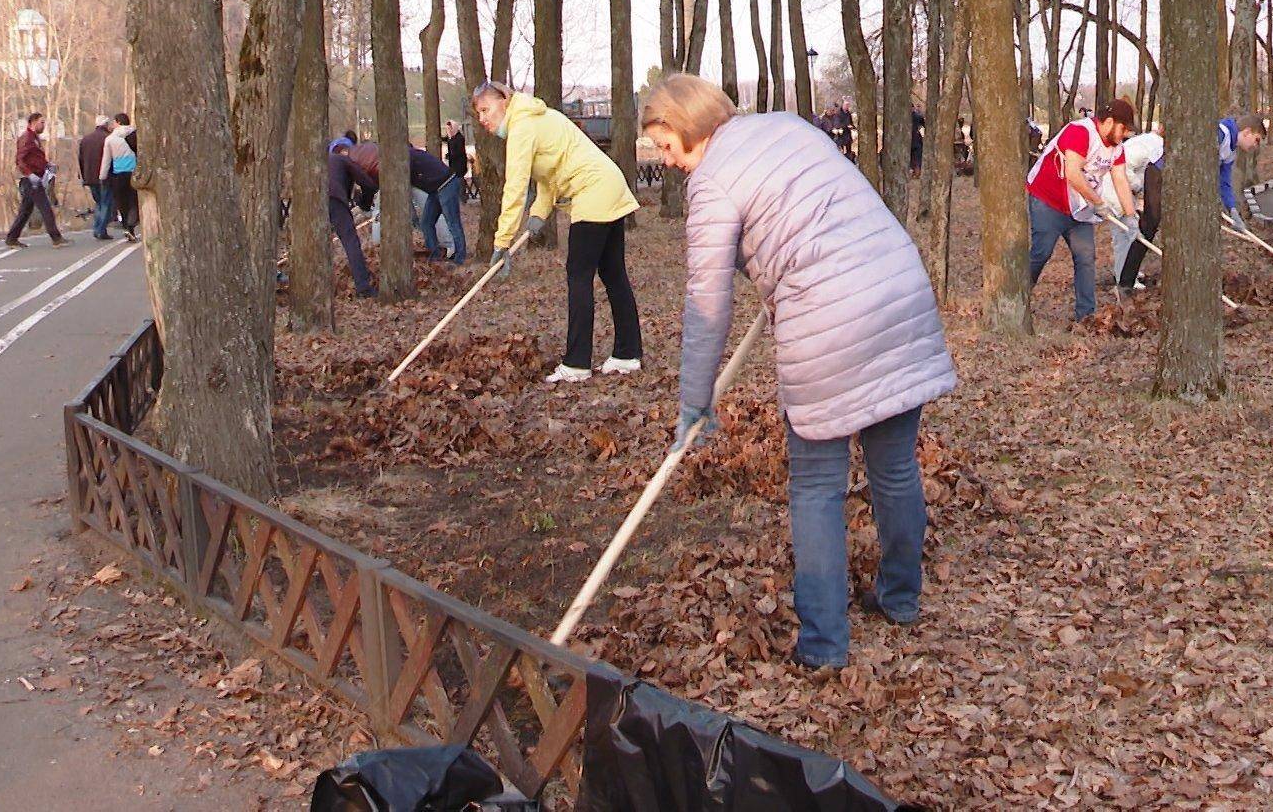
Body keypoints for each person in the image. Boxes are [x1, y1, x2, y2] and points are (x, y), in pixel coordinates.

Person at [644, 74, 957, 670]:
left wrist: (694, 400)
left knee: (816, 486)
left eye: (665, 145)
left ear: (689, 125)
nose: (668, 161)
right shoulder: (788, 126)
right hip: (898, 289)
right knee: (894, 466)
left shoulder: (712, 184)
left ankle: (823, 646)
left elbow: (706, 303)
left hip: (831, 322)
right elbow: (819, 212)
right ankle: (900, 598)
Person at [472, 80, 642, 384]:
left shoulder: (522, 126)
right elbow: (551, 173)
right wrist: (538, 214)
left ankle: (577, 363)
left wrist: (502, 241)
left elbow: (515, 187)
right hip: (607, 184)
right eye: (479, 114)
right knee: (613, 273)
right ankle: (627, 354)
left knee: (578, 275)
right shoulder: (535, 117)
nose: (483, 118)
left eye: (486, 109)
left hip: (593, 190)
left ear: (504, 101)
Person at [1025, 97, 1136, 321]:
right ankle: (1019, 296)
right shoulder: (1080, 132)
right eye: (1123, 128)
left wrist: (1130, 216)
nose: (1124, 134)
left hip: (1080, 207)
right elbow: (1073, 174)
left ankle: (1086, 316)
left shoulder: (1117, 148)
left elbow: (1120, 178)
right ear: (1110, 122)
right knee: (1041, 252)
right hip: (1049, 200)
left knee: (1085, 257)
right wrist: (1098, 203)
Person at [1103, 128, 1165, 288]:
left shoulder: (1152, 142)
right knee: (1124, 235)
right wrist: (1137, 188)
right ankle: (1122, 279)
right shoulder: (1153, 145)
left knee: (1131, 232)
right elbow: (1125, 167)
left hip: (1126, 191)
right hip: (1115, 189)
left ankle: (1130, 272)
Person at [6, 112, 68, 248]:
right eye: (42, 122)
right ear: (33, 123)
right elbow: (20, 159)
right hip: (30, 180)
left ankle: (12, 237)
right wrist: (29, 174)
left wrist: (47, 164)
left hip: (36, 177)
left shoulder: (34, 138)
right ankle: (56, 237)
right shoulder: (27, 138)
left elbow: (35, 158)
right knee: (45, 207)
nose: (44, 125)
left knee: (25, 210)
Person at [327, 143, 379, 297]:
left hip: (311, 200)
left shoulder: (321, 161)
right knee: (350, 241)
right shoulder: (344, 160)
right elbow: (367, 183)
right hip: (334, 198)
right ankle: (363, 287)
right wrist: (365, 204)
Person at [408, 142, 464, 263]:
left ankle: (460, 258)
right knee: (426, 222)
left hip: (446, 183)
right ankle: (435, 255)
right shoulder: (413, 156)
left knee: (453, 222)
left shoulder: (408, 157)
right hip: (435, 188)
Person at [1217, 113, 1267, 219]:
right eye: (1256, 140)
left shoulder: (1231, 152)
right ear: (1247, 132)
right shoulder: (1221, 133)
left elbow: (1224, 181)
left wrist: (1232, 209)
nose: (1255, 145)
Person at [101, 113, 140, 242]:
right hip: (134, 172)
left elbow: (106, 160)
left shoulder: (110, 139)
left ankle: (126, 227)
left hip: (119, 174)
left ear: (118, 122)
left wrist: (102, 176)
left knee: (122, 203)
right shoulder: (136, 134)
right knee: (134, 201)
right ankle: (131, 224)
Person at [79, 115, 114, 240]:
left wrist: (83, 176)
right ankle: (100, 230)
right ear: (105, 125)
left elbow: (81, 160)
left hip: (90, 176)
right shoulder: (108, 138)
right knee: (106, 203)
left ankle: (97, 227)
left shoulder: (86, 139)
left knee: (99, 203)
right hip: (105, 176)